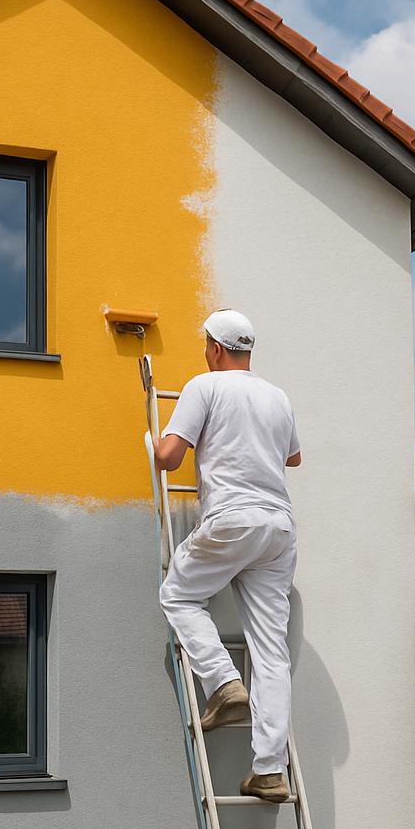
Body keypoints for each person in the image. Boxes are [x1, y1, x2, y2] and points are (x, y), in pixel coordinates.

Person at [154, 309, 301, 803]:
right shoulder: (277, 397)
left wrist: (155, 445)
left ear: (215, 349)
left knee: (178, 595)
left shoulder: (205, 385)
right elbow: (293, 458)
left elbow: (171, 457)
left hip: (232, 519)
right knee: (271, 650)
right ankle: (268, 770)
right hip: (278, 529)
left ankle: (223, 684)